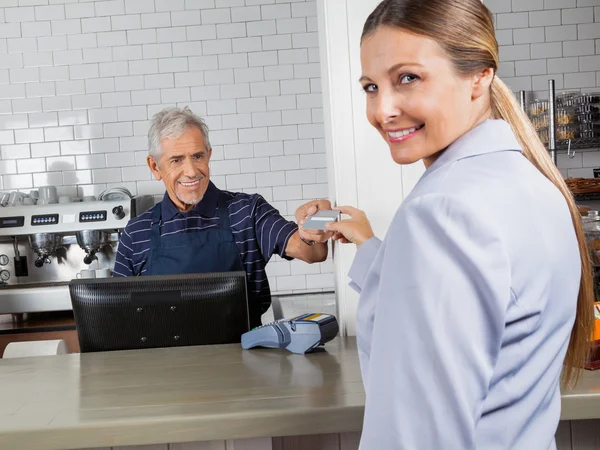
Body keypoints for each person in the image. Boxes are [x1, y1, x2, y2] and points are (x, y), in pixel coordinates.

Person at [326, 1, 594, 449]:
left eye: (407, 78)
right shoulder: (536, 185)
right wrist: (370, 243)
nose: (382, 109)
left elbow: (415, 438)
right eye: (371, 86)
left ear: (479, 76)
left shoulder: (442, 210)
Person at [114, 107, 333, 328]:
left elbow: (311, 251)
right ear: (155, 166)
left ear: (209, 155)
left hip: (243, 358)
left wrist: (318, 219)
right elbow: (117, 315)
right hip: (165, 361)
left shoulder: (247, 211)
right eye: (177, 160)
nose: (191, 171)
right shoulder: (136, 233)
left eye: (197, 156)